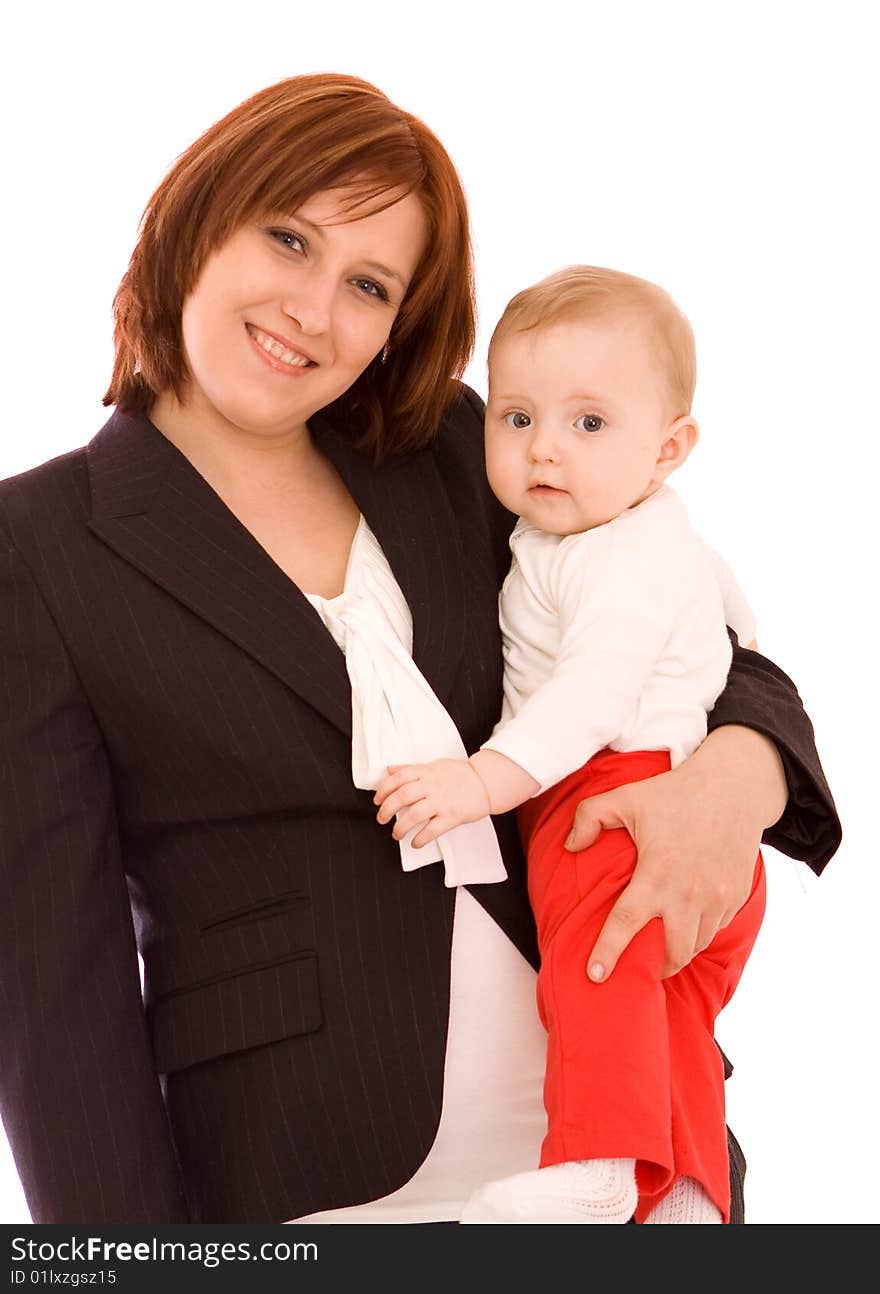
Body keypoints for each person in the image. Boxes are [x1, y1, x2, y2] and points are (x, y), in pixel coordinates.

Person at [0, 74, 840, 1226]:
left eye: (368, 285)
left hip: (623, 1150)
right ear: (196, 222)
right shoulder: (38, 544)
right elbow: (53, 981)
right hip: (314, 1183)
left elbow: (676, 614)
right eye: (287, 238)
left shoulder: (456, 448)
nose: (313, 307)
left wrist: (735, 782)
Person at [375, 265, 770, 1224]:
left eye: (589, 424)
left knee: (592, 988)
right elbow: (740, 631)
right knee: (662, 1017)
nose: (545, 449)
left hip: (617, 802)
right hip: (669, 802)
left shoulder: (616, 554)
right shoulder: (647, 530)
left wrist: (481, 781)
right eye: (517, 419)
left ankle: (597, 1171)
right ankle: (682, 1193)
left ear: (670, 447)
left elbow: (592, 695)